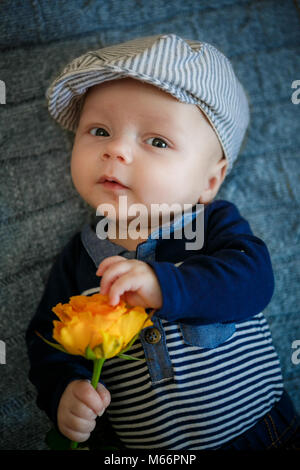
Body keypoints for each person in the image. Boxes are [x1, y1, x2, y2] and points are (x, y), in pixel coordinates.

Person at [26, 34, 300, 450]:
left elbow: (253, 282)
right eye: (99, 130)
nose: (115, 149)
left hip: (262, 433)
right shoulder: (78, 260)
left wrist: (164, 284)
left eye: (157, 141)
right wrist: (64, 391)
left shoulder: (213, 226)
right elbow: (48, 340)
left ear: (210, 181)